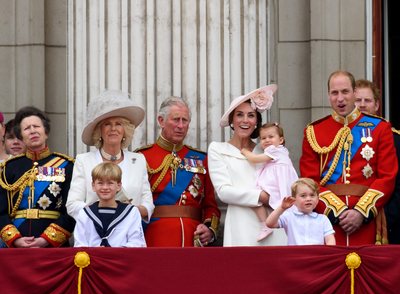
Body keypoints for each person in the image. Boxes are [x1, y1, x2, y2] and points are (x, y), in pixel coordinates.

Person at [300, 70, 397, 245]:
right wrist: (337, 212)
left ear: (354, 92)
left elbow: (387, 177)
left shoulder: (380, 128)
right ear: (328, 95)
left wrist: (361, 212)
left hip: (368, 220)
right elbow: (309, 181)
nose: (340, 98)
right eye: (335, 93)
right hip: (328, 222)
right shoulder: (314, 131)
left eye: (345, 92)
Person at [208, 85, 287, 246]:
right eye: (239, 115)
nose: (245, 120)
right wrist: (261, 197)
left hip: (274, 223)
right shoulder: (218, 149)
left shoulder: (267, 150)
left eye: (251, 115)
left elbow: (285, 177)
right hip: (240, 225)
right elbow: (224, 192)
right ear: (232, 120)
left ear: (257, 121)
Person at [136, 96, 220, 247]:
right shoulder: (142, 157)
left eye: (185, 120)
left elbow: (210, 205)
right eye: (176, 119)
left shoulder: (202, 159)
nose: (181, 125)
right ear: (161, 121)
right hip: (154, 237)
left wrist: (209, 229)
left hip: (192, 238)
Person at [66, 90, 154, 224]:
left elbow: (148, 204)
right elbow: (72, 205)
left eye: (118, 124)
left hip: (129, 233)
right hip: (95, 232)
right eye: (107, 124)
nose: (113, 128)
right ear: (99, 131)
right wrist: (99, 211)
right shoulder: (84, 161)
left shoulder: (138, 160)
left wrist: (131, 210)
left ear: (125, 130)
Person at [0, 106, 75, 248]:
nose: (32, 131)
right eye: (27, 128)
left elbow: (70, 211)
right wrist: (15, 239)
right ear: (21, 136)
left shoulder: (66, 166)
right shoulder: (9, 167)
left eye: (36, 126)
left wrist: (47, 239)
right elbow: (1, 212)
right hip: (16, 244)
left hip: (53, 245)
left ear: (46, 132)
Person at [355, 78, 400, 244]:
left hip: (386, 225)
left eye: (368, 100)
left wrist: (380, 219)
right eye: (357, 100)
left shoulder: (395, 140)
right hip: (346, 224)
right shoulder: (338, 140)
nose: (362, 105)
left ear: (377, 105)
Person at [241, 122, 298, 241]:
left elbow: (255, 159)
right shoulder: (283, 151)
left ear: (281, 140)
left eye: (271, 137)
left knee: (254, 197)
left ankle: (264, 225)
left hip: (275, 185)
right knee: (255, 198)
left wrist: (245, 151)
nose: (267, 140)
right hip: (276, 182)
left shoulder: (274, 150)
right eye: (263, 138)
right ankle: (265, 225)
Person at [74, 162, 146, 247]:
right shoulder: (84, 214)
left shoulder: (132, 212)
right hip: (92, 259)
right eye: (100, 183)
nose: (105, 187)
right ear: (93, 186)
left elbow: (137, 243)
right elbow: (79, 245)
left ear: (119, 186)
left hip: (121, 259)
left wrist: (112, 253)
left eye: (110, 183)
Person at [266, 178, 336, 245]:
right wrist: (281, 208)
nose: (308, 199)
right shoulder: (289, 216)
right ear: (294, 201)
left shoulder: (323, 219)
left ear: (317, 199)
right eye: (303, 196)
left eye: (312, 195)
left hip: (316, 255)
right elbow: (269, 223)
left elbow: (330, 239)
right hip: (295, 255)